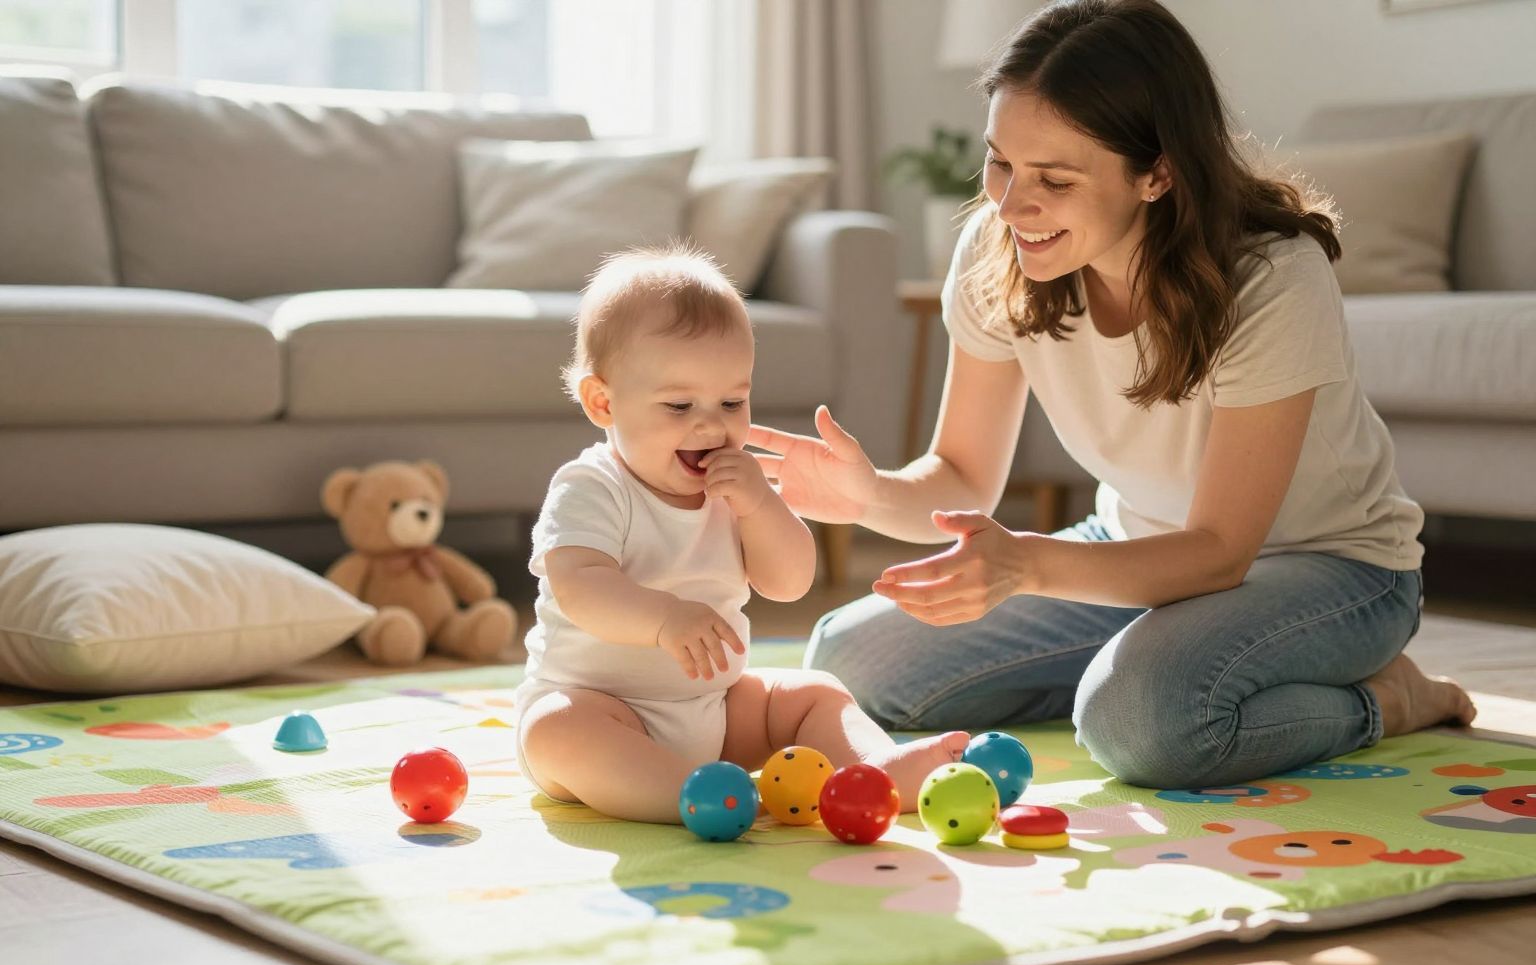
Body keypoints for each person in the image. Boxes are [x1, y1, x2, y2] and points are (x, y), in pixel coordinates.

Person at [748, 0, 1475, 792]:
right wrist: (868, 496)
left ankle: (1388, 699)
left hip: (1333, 571)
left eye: (1054, 180)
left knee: (1135, 721)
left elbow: (1220, 550)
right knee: (852, 662)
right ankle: (1162, 658)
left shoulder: (1270, 276)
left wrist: (1027, 565)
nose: (1011, 205)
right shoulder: (998, 252)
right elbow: (961, 478)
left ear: (1157, 172)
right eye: (1000, 163)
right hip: (1133, 550)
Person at [514, 243, 968, 824]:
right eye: (679, 405)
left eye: (732, 401)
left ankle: (875, 771)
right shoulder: (592, 486)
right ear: (603, 402)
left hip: (715, 708)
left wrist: (759, 506)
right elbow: (581, 587)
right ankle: (695, 798)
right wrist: (665, 618)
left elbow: (789, 582)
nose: (711, 424)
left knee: (814, 693)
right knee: (555, 729)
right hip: (604, 708)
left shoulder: (735, 486)